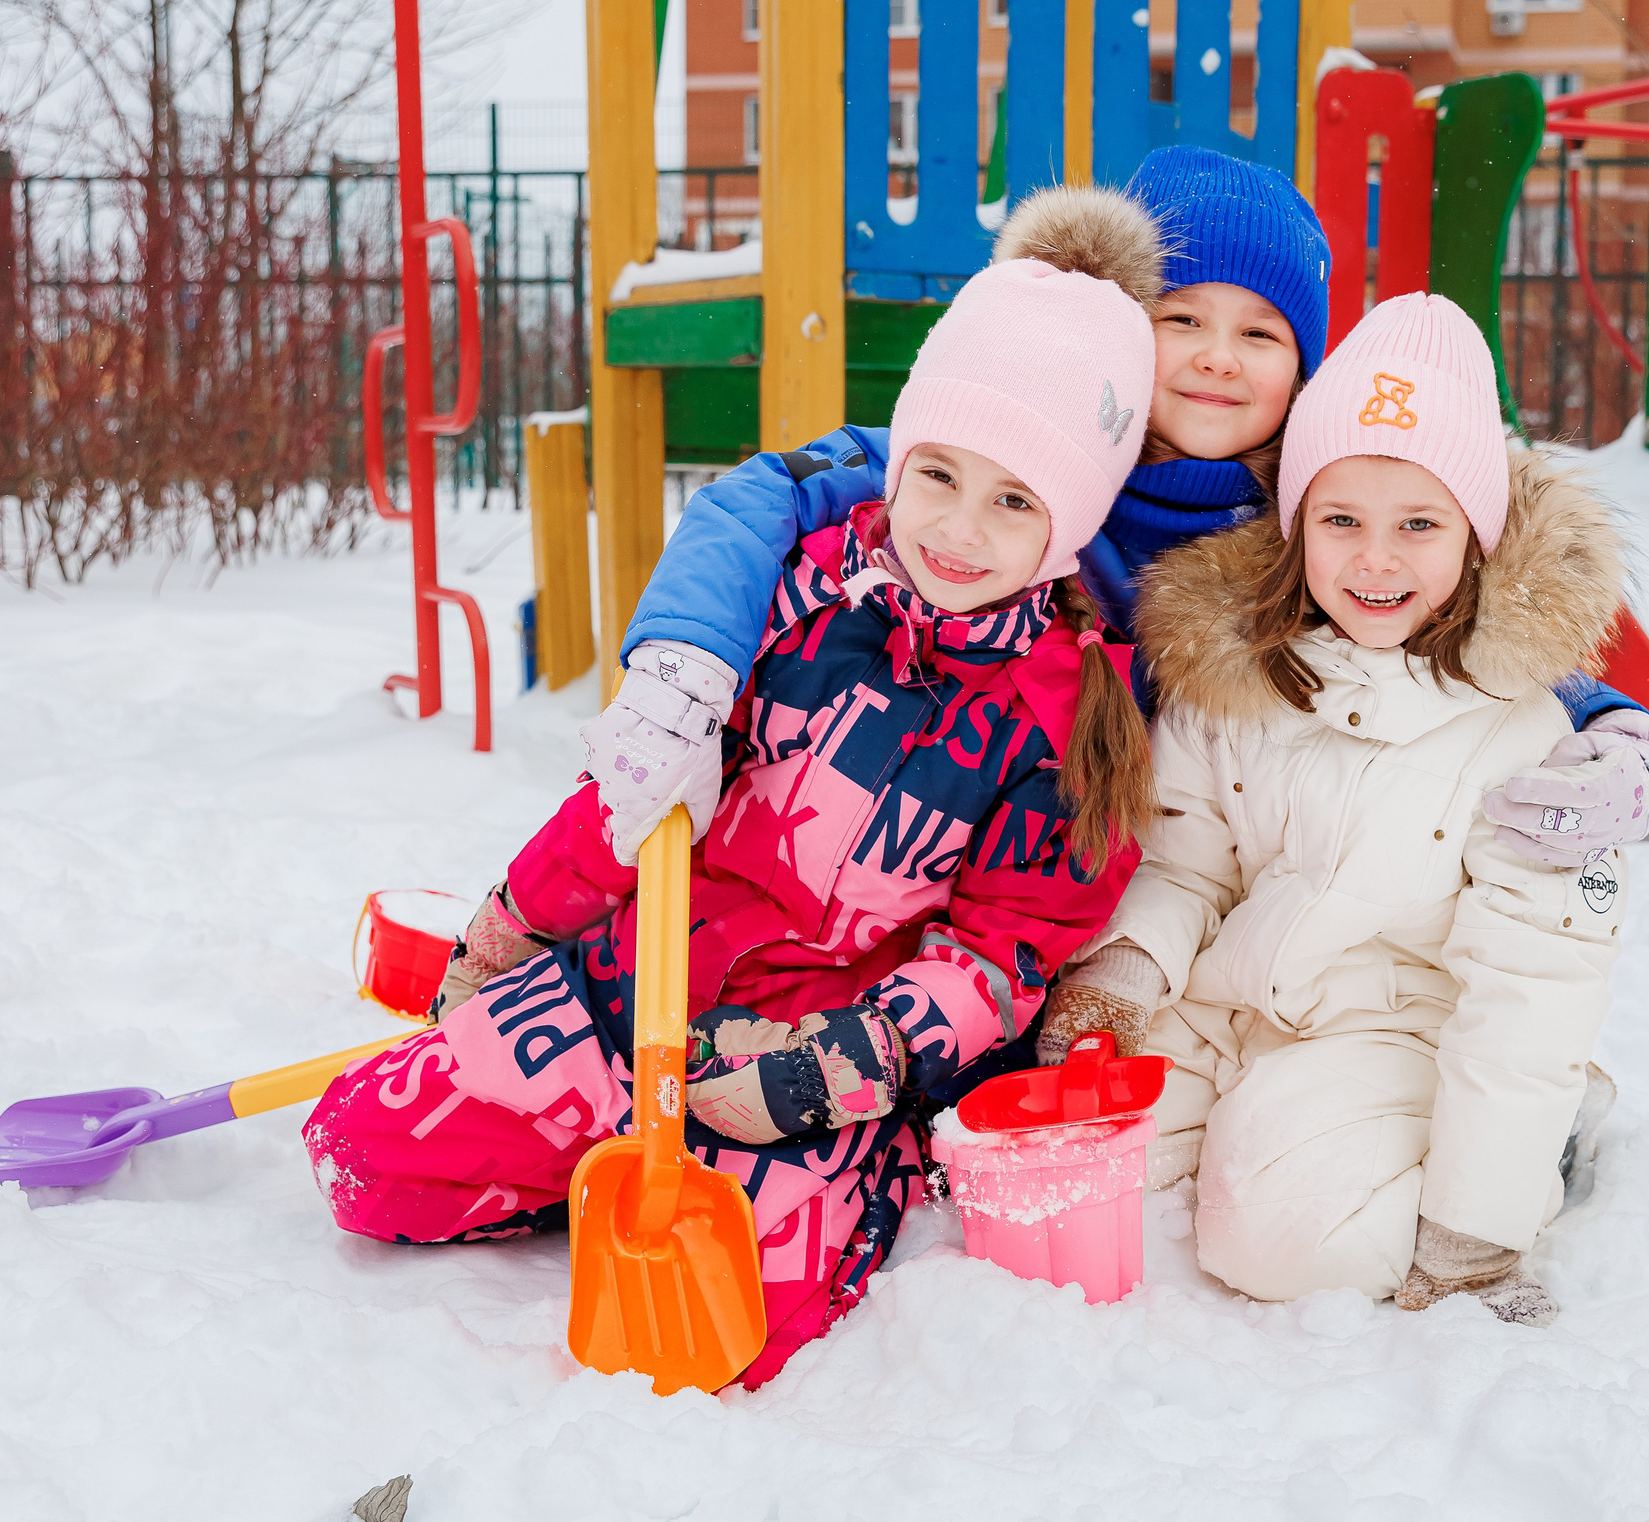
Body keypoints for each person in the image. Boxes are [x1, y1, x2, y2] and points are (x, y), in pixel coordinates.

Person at [304, 186, 1163, 1386]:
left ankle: (851, 1187)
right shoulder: (797, 595)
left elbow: (999, 955)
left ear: (1068, 523)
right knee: (360, 1159)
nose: (959, 529)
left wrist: (842, 1065)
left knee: (731, 1333)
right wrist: (511, 929)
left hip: (815, 1060)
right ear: (897, 460)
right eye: (939, 476)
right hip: (641, 983)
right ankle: (579, 1147)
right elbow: (641, 796)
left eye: (1015, 500)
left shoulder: (1072, 718)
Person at [574, 148, 1649, 1059]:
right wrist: (684, 662)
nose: (1215, 361)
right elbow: (770, 492)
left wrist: (1613, 728)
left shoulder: (1322, 517)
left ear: (1305, 366)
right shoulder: (1012, 454)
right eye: (1180, 317)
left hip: (1133, 888)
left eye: (1262, 334)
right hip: (936, 825)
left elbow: (1458, 631)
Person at [1070, 293, 1631, 1325]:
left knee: (1278, 1236)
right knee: (1080, 1168)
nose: (1375, 561)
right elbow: (1187, 862)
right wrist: (1126, 966)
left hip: (1400, 1032)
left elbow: (1528, 989)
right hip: (1234, 1009)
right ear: (1294, 526)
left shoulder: (1526, 740)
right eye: (1341, 521)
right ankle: (1266, 1128)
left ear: (1475, 538)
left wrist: (1476, 1234)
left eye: (1418, 525)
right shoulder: (1238, 679)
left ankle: (1535, 1150)